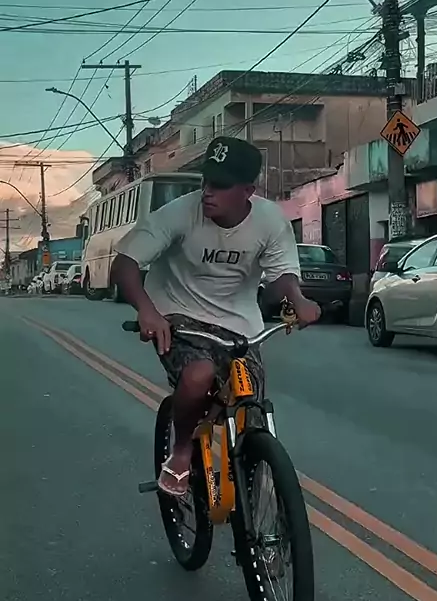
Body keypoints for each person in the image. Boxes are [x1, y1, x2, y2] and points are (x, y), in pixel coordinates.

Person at [112, 136, 320, 496]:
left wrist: (298, 299)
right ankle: (181, 452)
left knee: (249, 404)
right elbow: (125, 264)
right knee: (199, 374)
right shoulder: (179, 213)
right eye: (206, 180)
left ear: (248, 191)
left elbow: (282, 274)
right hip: (177, 313)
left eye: (221, 185)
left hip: (239, 325)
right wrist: (147, 311)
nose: (208, 191)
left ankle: (252, 488)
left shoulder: (270, 221)